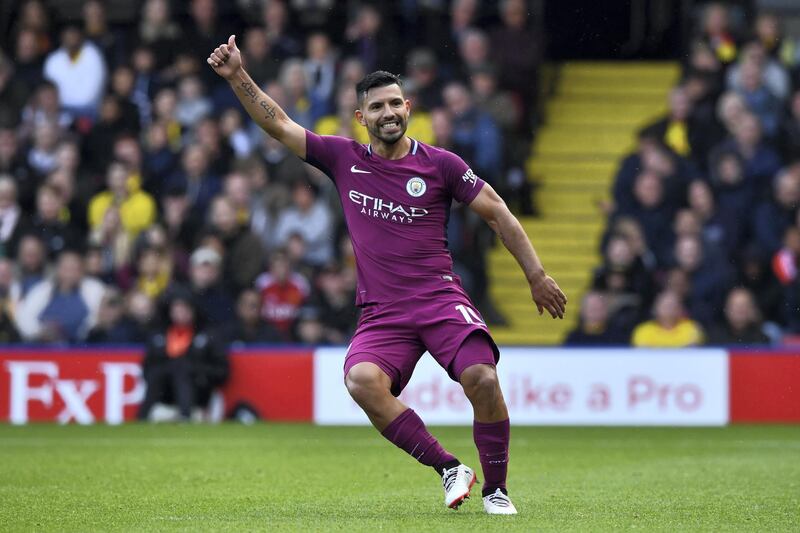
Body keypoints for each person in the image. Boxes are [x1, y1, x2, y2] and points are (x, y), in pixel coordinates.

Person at [207, 35, 567, 515]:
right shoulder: (344, 159)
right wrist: (237, 77)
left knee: (482, 377)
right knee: (360, 381)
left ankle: (496, 489)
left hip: (439, 299)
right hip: (383, 312)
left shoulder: (441, 165)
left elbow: (498, 212)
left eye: (396, 102)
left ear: (408, 107)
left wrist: (536, 275)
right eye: (377, 106)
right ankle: (449, 468)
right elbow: (280, 125)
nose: (389, 112)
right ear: (362, 118)